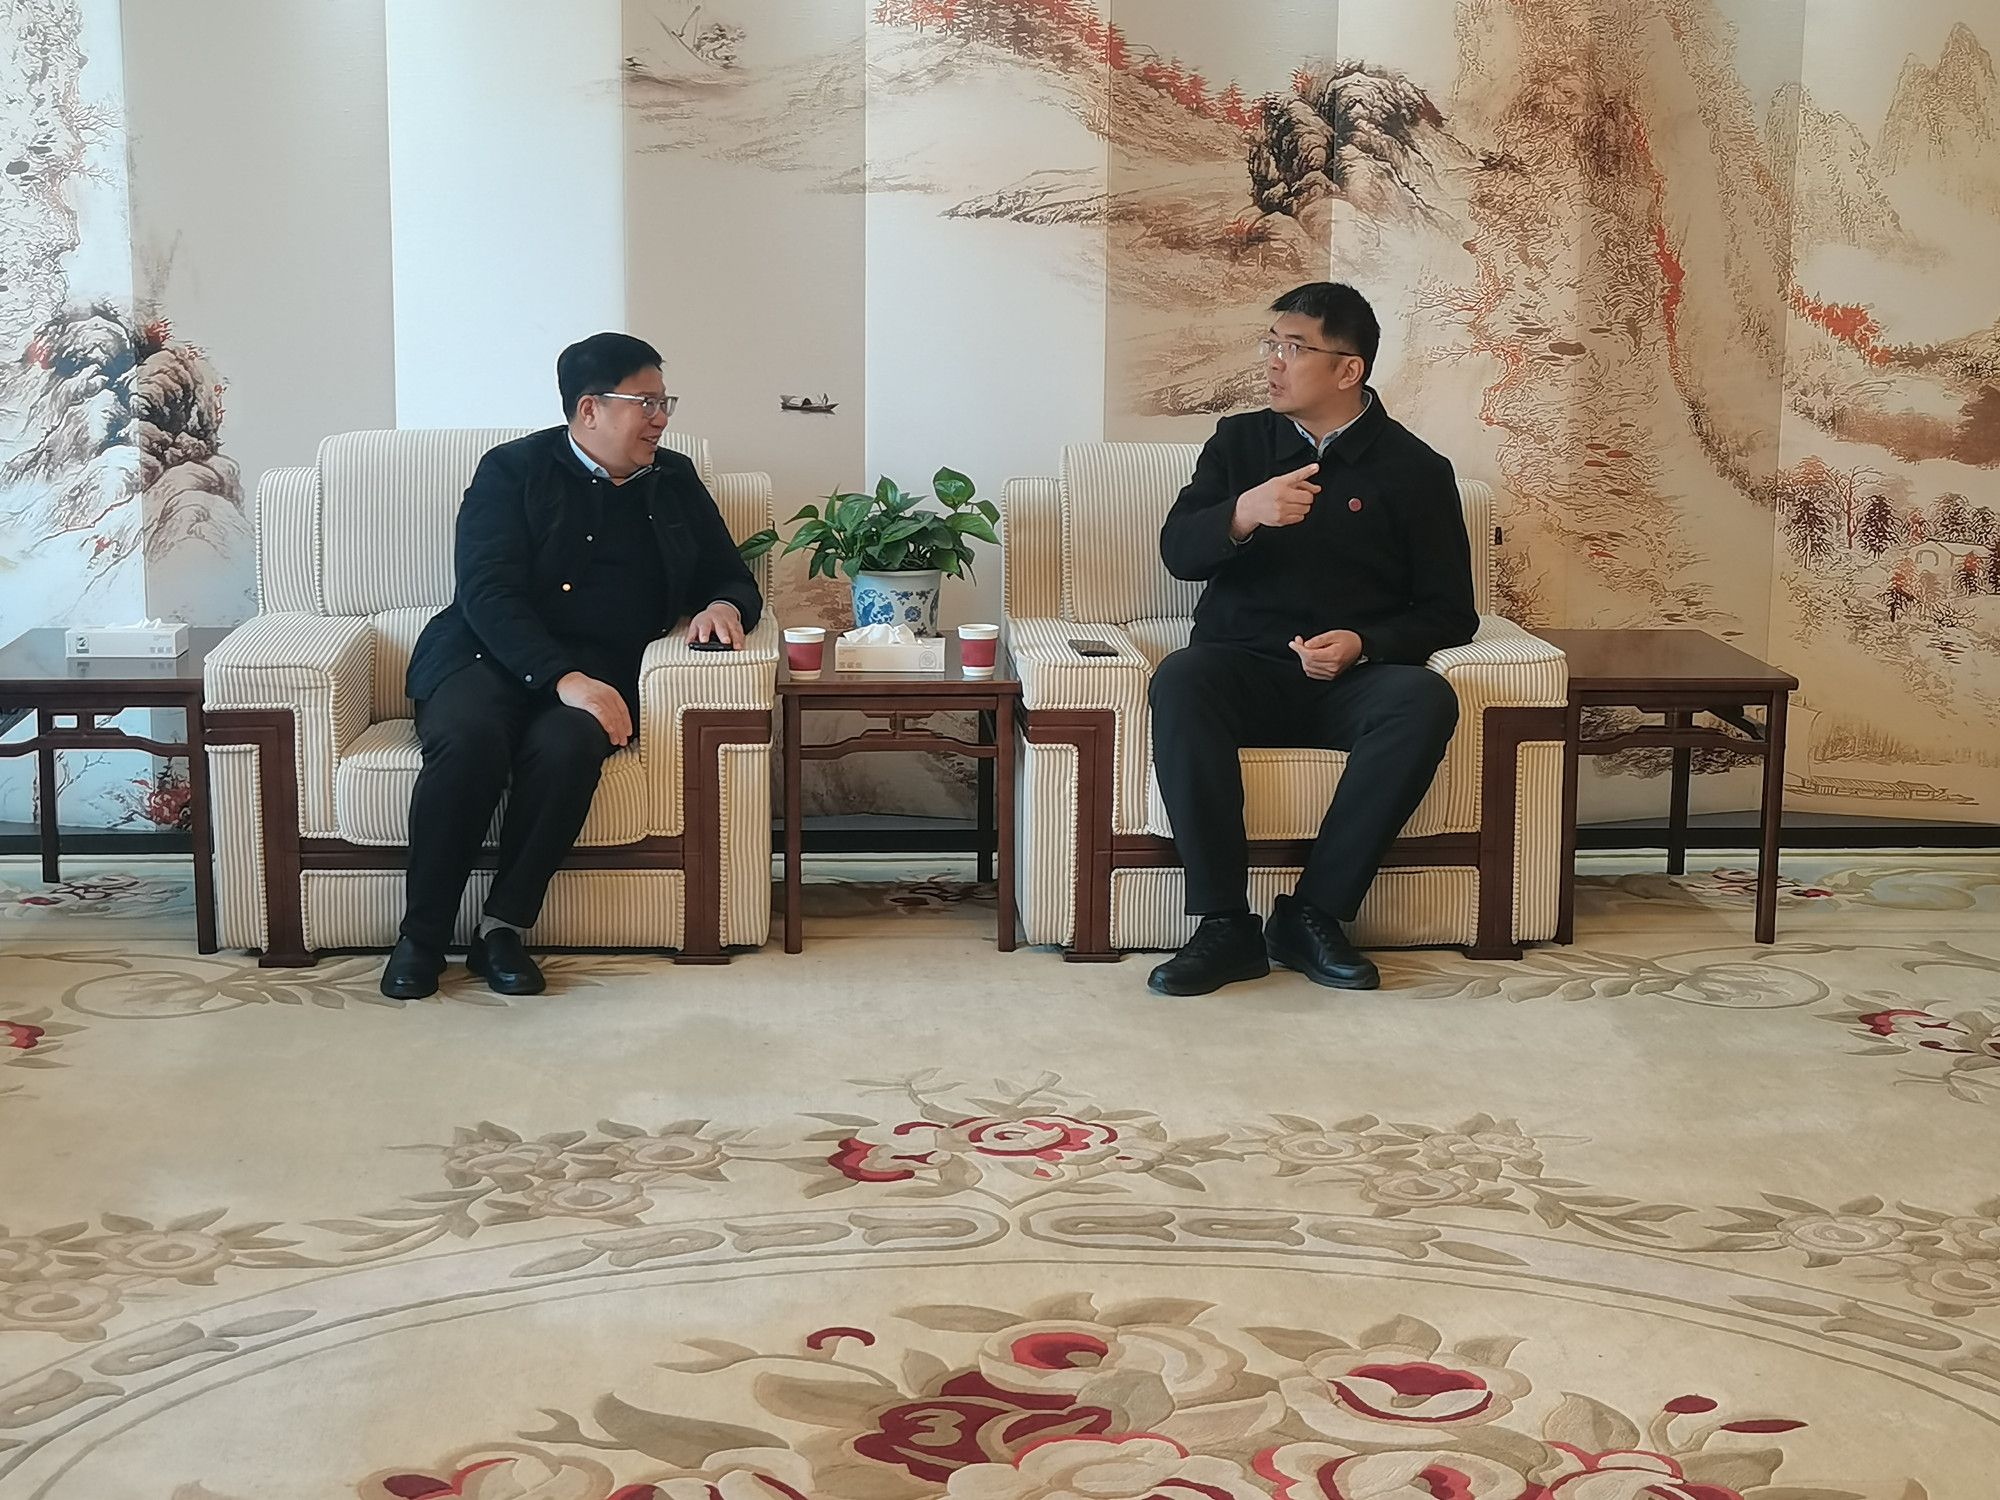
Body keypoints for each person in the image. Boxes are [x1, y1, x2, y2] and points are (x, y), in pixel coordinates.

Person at [380, 333, 762, 999]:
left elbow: (730, 576)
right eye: (646, 403)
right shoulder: (511, 470)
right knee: (470, 740)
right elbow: (486, 592)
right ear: (590, 409)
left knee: (568, 748)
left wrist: (724, 606)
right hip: (485, 656)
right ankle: (422, 937)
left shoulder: (673, 479)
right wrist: (565, 681)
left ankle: (501, 930)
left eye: (664, 402)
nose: (661, 418)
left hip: (599, 671)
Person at [1147, 282, 1477, 997]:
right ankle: (1225, 926)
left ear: (1348, 368)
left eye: (1293, 348)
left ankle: (1312, 915)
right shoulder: (1239, 443)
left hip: (1350, 683)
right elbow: (1178, 552)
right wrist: (1243, 512)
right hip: (1241, 669)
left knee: (1423, 698)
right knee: (1180, 678)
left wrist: (1364, 642)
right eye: (1270, 344)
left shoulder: (1416, 470)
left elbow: (1451, 613)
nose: (1273, 361)